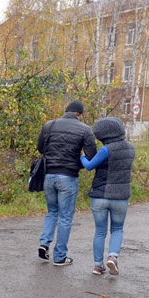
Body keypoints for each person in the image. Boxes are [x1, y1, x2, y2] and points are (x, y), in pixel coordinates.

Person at [37, 100, 97, 266]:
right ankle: (60, 257)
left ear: (66, 111)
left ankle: (44, 244)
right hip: (68, 177)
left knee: (51, 211)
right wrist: (77, 162)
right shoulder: (84, 129)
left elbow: (40, 148)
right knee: (65, 217)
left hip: (48, 175)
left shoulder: (49, 125)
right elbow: (92, 155)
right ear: (79, 114)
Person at [80, 117, 135, 276]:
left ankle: (98, 266)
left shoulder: (106, 150)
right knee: (117, 229)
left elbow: (89, 166)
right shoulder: (131, 148)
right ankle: (113, 257)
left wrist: (81, 156)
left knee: (100, 232)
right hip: (121, 197)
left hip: (100, 195)